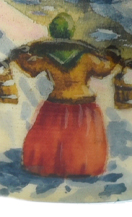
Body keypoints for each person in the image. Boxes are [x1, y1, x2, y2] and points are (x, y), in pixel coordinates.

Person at [13, 13, 120, 177]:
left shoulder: (46, 56)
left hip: (56, 103)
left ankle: (52, 167)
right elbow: (104, 68)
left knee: (50, 141)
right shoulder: (87, 56)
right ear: (71, 31)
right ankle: (80, 167)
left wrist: (19, 55)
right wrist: (113, 55)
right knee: (81, 142)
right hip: (84, 106)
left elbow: (30, 67)